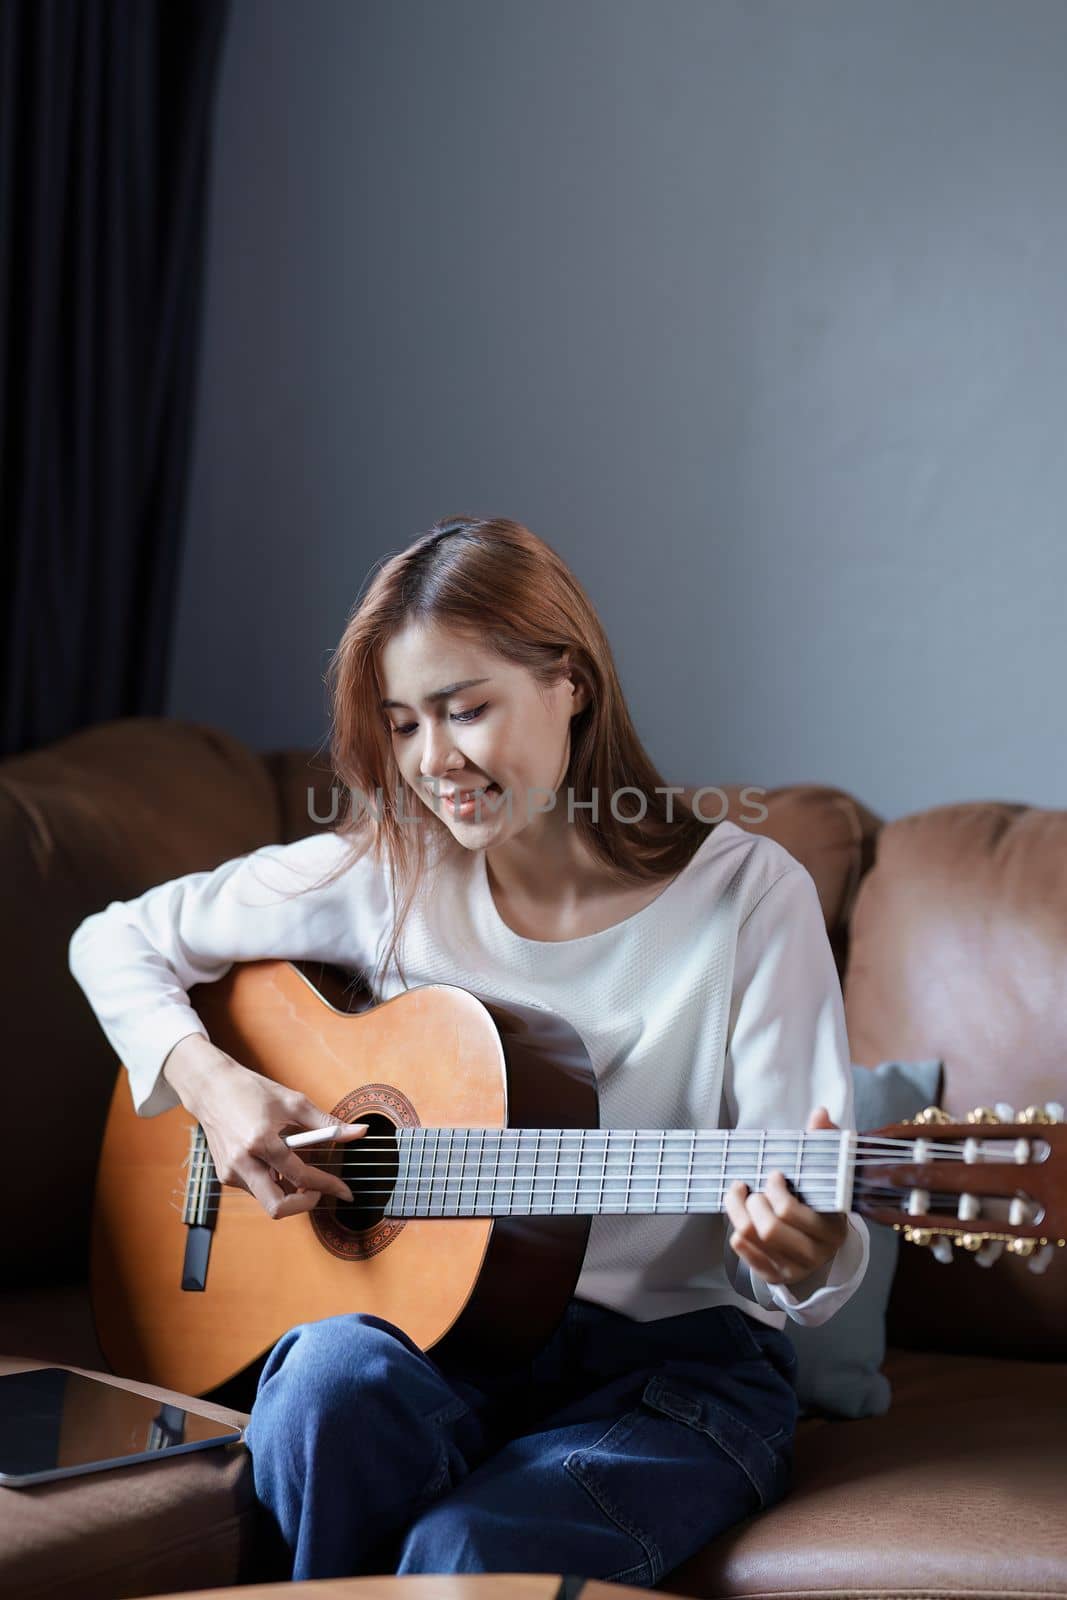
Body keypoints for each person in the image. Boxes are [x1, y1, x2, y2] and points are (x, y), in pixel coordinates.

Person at [69, 514, 869, 1587]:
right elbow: (111, 938)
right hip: (439, 1347)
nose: (432, 762)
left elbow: (797, 1233)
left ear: (569, 683)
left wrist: (808, 1254)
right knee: (325, 1379)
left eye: (466, 709)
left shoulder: (744, 895)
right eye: (402, 724)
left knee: (465, 1552)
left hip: (667, 1377)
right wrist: (215, 1086)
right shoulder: (385, 873)